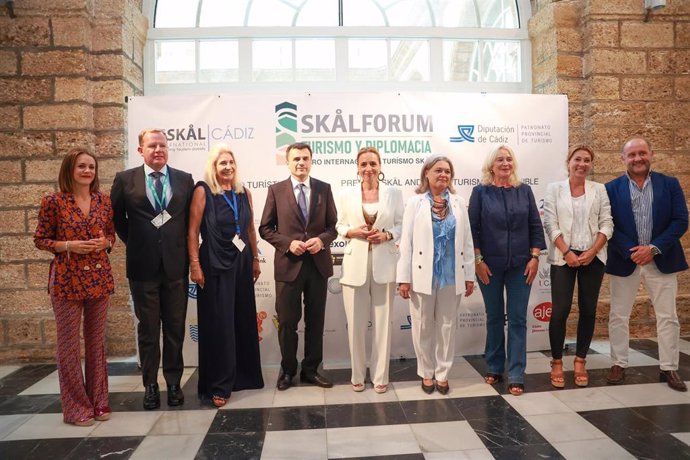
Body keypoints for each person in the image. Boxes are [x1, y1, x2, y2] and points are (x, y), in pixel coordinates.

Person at [111, 128, 195, 409]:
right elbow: (117, 220)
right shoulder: (125, 180)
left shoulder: (184, 180)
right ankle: (150, 385)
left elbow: (187, 223)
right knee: (148, 330)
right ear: (140, 150)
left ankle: (173, 384)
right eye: (152, 146)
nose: (158, 150)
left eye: (162, 145)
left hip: (175, 268)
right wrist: (139, 242)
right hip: (142, 268)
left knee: (174, 328)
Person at [34, 147, 115, 426]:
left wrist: (106, 243)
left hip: (98, 279)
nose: (87, 171)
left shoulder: (104, 201)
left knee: (96, 343)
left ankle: (99, 400)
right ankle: (76, 407)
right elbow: (41, 239)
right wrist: (68, 246)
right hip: (67, 281)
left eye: (91, 167)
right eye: (81, 166)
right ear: (70, 169)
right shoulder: (53, 202)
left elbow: (112, 236)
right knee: (68, 346)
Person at [605, 137, 688, 392]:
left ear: (651, 154)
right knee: (619, 315)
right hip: (625, 258)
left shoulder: (669, 184)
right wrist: (633, 251)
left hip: (661, 258)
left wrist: (652, 248)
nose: (637, 158)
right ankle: (619, 362)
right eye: (631, 155)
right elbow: (608, 224)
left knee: (667, 316)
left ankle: (669, 367)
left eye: (642, 153)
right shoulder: (610, 188)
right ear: (623, 159)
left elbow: (680, 220)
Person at [188, 144, 264, 407]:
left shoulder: (244, 193)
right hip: (213, 262)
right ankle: (219, 383)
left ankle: (241, 376)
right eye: (223, 163)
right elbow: (192, 231)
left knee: (241, 318)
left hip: (242, 262)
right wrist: (194, 265)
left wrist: (255, 258)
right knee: (219, 324)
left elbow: (250, 229)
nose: (228, 167)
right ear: (213, 167)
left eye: (231, 162)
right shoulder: (203, 191)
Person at [259, 142, 338, 391]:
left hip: (317, 267)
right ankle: (288, 370)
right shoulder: (276, 190)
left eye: (305, 158)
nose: (301, 163)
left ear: (311, 160)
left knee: (315, 321)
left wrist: (321, 240)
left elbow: (333, 227)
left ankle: (311, 370)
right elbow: (265, 228)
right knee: (287, 323)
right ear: (288, 162)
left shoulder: (324, 189)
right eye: (296, 159)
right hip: (288, 266)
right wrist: (287, 243)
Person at [468, 144, 545, 396]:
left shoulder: (524, 191)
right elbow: (473, 230)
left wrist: (535, 257)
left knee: (518, 319)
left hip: (521, 265)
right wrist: (478, 260)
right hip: (488, 266)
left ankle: (515, 373)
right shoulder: (480, 192)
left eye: (508, 159)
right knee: (494, 317)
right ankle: (494, 365)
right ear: (491, 165)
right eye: (499, 159)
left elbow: (535, 224)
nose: (504, 163)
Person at [397, 155, 475, 395]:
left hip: (452, 275)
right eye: (438, 170)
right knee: (422, 326)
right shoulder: (415, 202)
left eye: (448, 171)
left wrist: (469, 274)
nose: (443, 175)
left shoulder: (459, 202)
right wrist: (404, 278)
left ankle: (443, 373)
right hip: (422, 275)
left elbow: (468, 241)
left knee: (447, 326)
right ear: (427, 173)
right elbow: (406, 242)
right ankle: (426, 372)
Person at [543, 146, 613, 388]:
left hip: (593, 257)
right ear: (568, 162)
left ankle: (581, 360)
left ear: (591, 164)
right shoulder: (554, 189)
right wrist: (567, 252)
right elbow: (550, 222)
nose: (582, 164)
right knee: (560, 310)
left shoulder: (600, 190)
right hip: (564, 257)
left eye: (587, 160)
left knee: (589, 310)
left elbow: (607, 223)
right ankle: (557, 362)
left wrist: (592, 251)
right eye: (577, 159)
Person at [336, 146, 403, 394]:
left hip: (385, 263)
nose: (368, 169)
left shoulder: (394, 193)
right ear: (357, 167)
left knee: (383, 325)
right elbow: (339, 225)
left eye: (373, 164)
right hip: (355, 265)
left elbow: (401, 225)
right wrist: (352, 232)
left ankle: (380, 376)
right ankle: (357, 374)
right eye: (363, 164)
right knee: (355, 325)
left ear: (380, 166)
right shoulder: (345, 194)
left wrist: (387, 235)